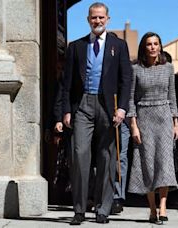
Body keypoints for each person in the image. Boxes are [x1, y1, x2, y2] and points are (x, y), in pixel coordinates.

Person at [61, 2, 132, 225]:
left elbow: (126, 79)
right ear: (88, 20)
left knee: (106, 158)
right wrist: (66, 111)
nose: (97, 21)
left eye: (101, 18)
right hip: (83, 104)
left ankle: (103, 208)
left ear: (108, 19)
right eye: (94, 18)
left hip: (108, 106)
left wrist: (122, 108)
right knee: (80, 154)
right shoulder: (76, 46)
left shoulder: (118, 46)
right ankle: (80, 210)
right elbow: (67, 83)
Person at [127, 32, 178, 225]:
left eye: (156, 44)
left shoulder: (168, 68)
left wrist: (176, 123)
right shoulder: (136, 69)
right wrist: (133, 125)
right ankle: (151, 209)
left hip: (164, 118)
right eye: (149, 44)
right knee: (147, 165)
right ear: (144, 47)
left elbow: (173, 97)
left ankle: (163, 207)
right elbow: (131, 99)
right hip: (144, 120)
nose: (152, 47)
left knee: (164, 164)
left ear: (160, 46)